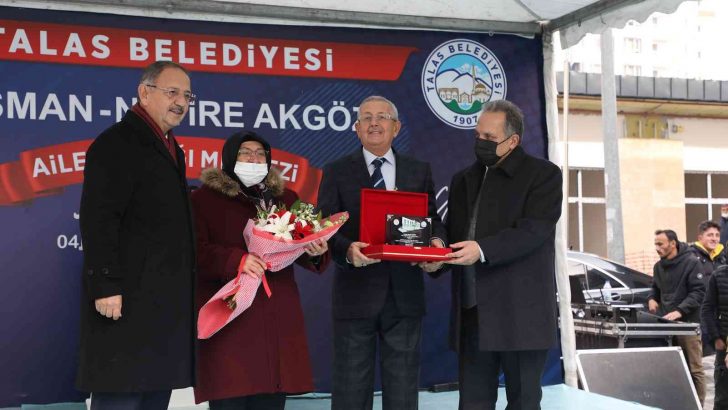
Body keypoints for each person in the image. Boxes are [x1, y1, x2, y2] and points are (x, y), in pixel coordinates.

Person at [76, 61, 196, 409]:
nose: (180, 102)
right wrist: (105, 284)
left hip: (161, 306)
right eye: (172, 92)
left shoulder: (171, 147)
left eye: (187, 96)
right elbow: (99, 219)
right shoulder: (116, 143)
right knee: (121, 394)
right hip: (124, 301)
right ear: (145, 92)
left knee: (153, 395)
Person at [316, 95, 446, 410]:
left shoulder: (418, 170)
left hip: (405, 294)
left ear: (396, 127)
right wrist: (347, 250)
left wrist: (437, 244)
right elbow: (324, 225)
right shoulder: (336, 171)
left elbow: (433, 221)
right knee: (350, 392)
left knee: (403, 393)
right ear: (357, 127)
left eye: (382, 117)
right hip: (355, 294)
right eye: (367, 118)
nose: (374, 123)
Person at [191, 131, 330, 410]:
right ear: (230, 157)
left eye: (259, 154)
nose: (253, 159)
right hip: (231, 318)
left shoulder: (286, 198)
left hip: (277, 318)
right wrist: (236, 260)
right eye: (245, 152)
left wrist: (315, 251)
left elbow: (301, 248)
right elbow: (194, 252)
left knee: (270, 398)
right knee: (231, 395)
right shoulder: (204, 199)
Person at [444, 99, 562, 410]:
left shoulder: (544, 175)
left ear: (513, 141)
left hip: (520, 314)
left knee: (523, 402)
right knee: (472, 403)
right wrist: (435, 254)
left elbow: (534, 230)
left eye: (489, 137)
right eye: (477, 135)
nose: (480, 142)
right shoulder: (463, 179)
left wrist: (482, 250)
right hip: (473, 312)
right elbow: (452, 232)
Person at [649, 229, 706, 405]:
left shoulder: (692, 262)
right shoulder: (658, 266)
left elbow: (698, 292)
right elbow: (655, 288)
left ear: (673, 244)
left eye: (660, 244)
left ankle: (699, 406)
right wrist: (652, 298)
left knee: (694, 369)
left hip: (688, 325)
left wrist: (680, 311)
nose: (657, 248)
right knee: (672, 369)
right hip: (666, 326)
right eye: (655, 244)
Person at [688, 220, 725, 355]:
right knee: (702, 356)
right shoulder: (690, 256)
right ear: (700, 237)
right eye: (710, 235)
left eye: (717, 235)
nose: (714, 238)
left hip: (719, 317)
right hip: (698, 314)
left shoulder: (722, 257)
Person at [702, 263, 728, 409]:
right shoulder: (718, 275)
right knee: (722, 399)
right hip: (723, 343)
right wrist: (716, 338)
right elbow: (706, 309)